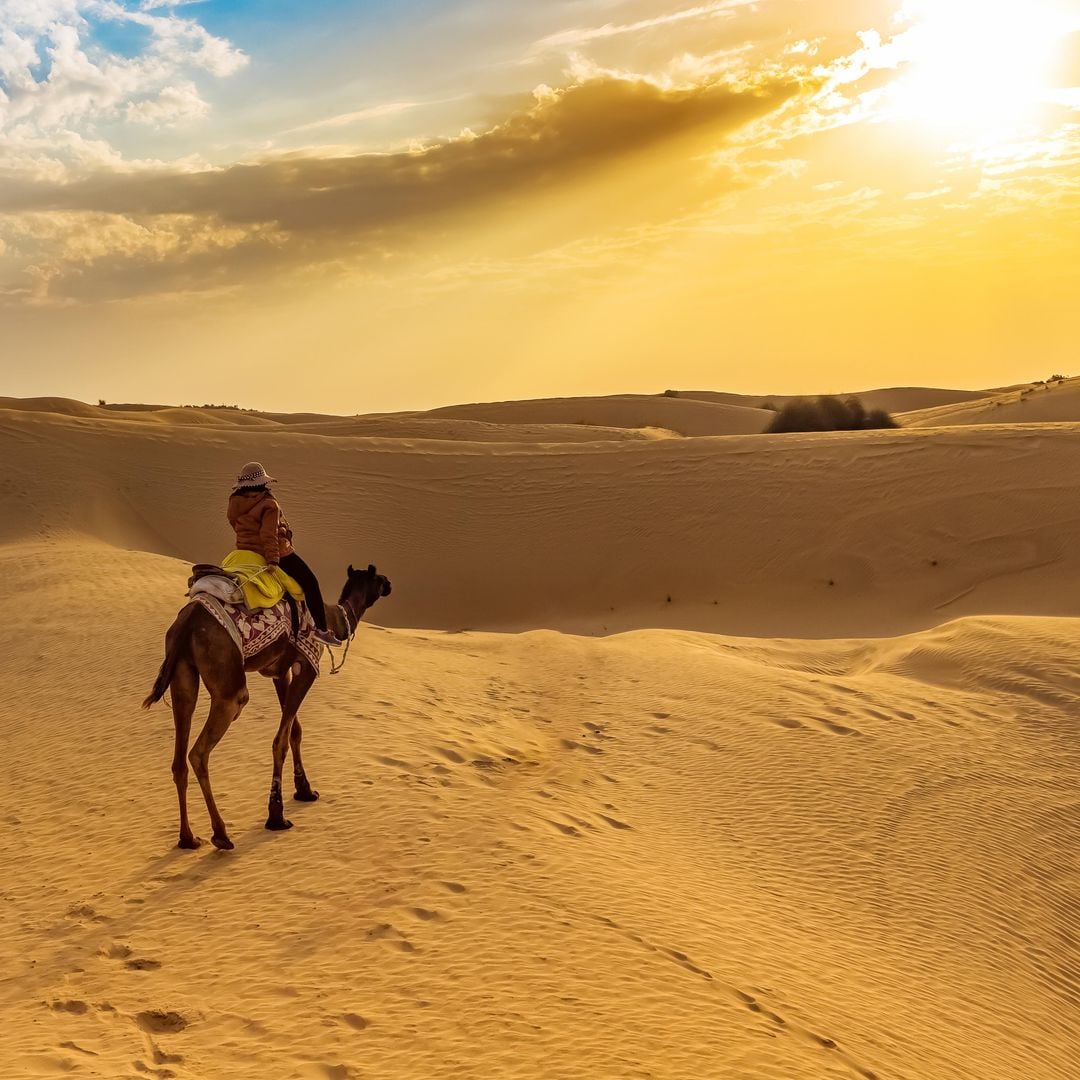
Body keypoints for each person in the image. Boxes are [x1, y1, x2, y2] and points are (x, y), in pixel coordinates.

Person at [226, 462, 341, 646]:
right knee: (311, 582)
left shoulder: (234, 501)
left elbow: (234, 523)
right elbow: (268, 534)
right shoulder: (269, 504)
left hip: (244, 550)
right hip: (276, 551)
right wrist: (272, 559)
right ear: (262, 483)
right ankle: (321, 630)